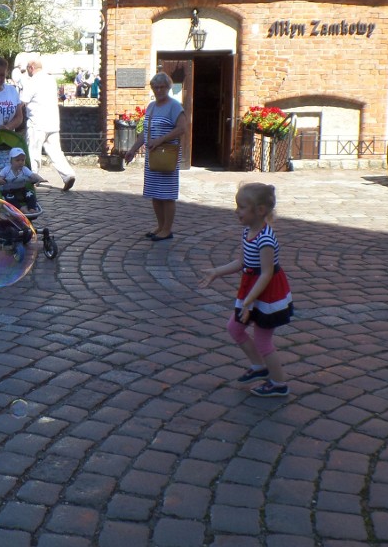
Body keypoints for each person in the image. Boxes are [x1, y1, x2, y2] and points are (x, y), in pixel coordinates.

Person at [199, 183, 294, 398]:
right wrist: (217, 271)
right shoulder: (248, 232)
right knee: (235, 328)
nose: (236, 211)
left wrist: (250, 300)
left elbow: (267, 273)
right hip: (251, 290)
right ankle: (259, 366)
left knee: (262, 340)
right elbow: (242, 262)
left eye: (241, 207)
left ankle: (279, 383)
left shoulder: (266, 239)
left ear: (259, 210)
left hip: (266, 295)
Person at [122, 72, 188, 241]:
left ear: (168, 87)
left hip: (167, 155)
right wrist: (133, 149)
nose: (159, 90)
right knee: (155, 193)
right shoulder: (151, 106)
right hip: (153, 156)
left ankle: (167, 229)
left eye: (162, 87)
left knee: (167, 195)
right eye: (156, 87)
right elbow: (146, 131)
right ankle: (160, 226)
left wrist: (160, 140)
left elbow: (182, 129)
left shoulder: (175, 106)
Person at [20, 57, 77, 191]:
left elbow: (23, 101)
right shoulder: (51, 80)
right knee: (56, 151)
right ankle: (68, 174)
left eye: (28, 68)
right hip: (52, 121)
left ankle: (33, 177)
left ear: (31, 67)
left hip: (37, 122)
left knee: (33, 151)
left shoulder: (32, 81)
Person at [0, 147, 46, 213]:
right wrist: (0, 181)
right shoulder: (7, 170)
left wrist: (39, 179)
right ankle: (21, 208)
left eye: (23, 160)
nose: (20, 162)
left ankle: (32, 208)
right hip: (9, 191)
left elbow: (33, 175)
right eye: (17, 160)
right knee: (9, 198)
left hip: (22, 189)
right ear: (11, 161)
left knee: (31, 194)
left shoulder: (24, 169)